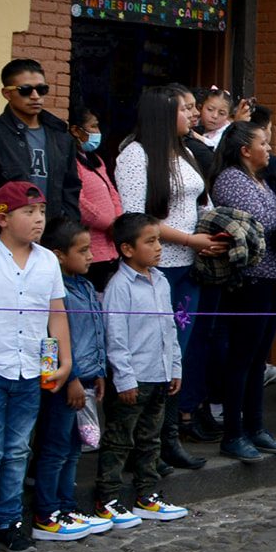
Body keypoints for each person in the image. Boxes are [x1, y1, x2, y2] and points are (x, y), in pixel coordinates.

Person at [114, 86, 225, 462]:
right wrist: (190, 239)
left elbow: (201, 200)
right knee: (148, 356)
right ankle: (140, 446)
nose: (194, 115)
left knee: (176, 352)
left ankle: (168, 437)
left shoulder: (187, 151)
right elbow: (135, 218)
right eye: (187, 108)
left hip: (189, 267)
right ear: (163, 114)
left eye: (195, 108)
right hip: (154, 269)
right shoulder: (135, 154)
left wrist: (211, 233)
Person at [201, 122, 276, 461]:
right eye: (263, 143)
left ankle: (256, 426)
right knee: (242, 357)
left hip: (272, 276)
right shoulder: (231, 180)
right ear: (244, 150)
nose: (269, 149)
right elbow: (258, 225)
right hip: (249, 279)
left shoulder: (260, 179)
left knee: (258, 358)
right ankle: (233, 433)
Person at [92, 212, 188, 529]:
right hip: (134, 379)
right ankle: (107, 499)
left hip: (159, 374)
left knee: (151, 439)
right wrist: (125, 379)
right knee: (120, 440)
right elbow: (115, 337)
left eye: (159, 239)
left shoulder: (159, 280)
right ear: (127, 249)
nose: (159, 247)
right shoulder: (120, 287)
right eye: (150, 241)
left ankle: (146, 495)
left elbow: (169, 328)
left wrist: (175, 366)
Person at [0, 183, 72, 552]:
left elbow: (55, 315)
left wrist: (62, 363)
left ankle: (9, 521)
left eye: (41, 212)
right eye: (28, 212)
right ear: (3, 218)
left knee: (16, 450)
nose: (38, 219)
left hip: (29, 371)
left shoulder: (46, 261)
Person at [33, 221, 110, 541]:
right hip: (67, 382)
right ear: (59, 256)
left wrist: (101, 371)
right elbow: (57, 337)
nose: (91, 256)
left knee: (75, 448)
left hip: (89, 380)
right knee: (55, 447)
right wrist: (74, 378)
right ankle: (46, 512)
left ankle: (66, 506)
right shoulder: (58, 293)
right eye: (83, 251)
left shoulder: (87, 287)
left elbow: (95, 331)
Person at [0, 59, 80, 228]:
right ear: (7, 93)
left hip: (51, 233)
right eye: (25, 90)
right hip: (6, 233)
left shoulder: (61, 137)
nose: (35, 96)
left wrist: (67, 227)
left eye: (42, 89)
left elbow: (71, 187)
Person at [68, 104, 122, 288]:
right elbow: (80, 202)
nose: (97, 132)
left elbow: (112, 192)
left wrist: (118, 220)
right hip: (92, 248)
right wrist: (110, 224)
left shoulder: (96, 160)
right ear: (75, 130)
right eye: (92, 126)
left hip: (111, 248)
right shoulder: (71, 161)